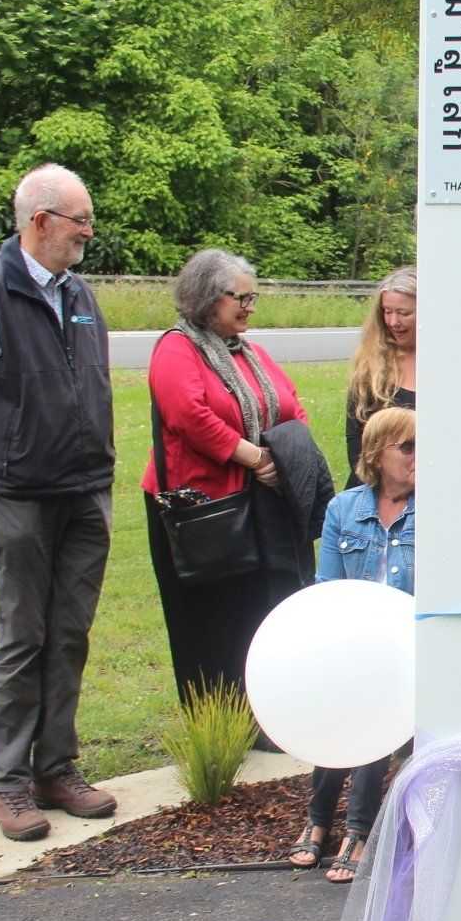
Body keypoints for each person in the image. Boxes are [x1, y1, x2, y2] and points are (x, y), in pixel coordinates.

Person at [0, 163, 119, 841]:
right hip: (20, 496)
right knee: (22, 639)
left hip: (84, 491)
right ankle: (8, 783)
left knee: (68, 635)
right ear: (40, 221)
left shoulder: (81, 294)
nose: (88, 232)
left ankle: (55, 768)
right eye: (79, 220)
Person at [143, 249, 328, 715]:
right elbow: (189, 415)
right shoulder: (177, 348)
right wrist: (255, 458)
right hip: (204, 508)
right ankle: (219, 723)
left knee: (260, 608)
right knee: (211, 615)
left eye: (254, 298)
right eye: (239, 298)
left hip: (260, 506)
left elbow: (292, 408)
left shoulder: (252, 352)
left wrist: (281, 458)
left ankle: (265, 713)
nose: (249, 307)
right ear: (207, 296)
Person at [298, 407, 418, 883]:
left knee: (377, 705)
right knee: (342, 702)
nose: (418, 458)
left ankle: (356, 828)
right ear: (376, 452)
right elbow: (328, 585)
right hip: (354, 640)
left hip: (407, 649)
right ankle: (318, 817)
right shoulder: (343, 510)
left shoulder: (434, 511)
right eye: (407, 448)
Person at [344, 267, 417, 486]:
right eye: (387, 311)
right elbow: (355, 437)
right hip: (376, 490)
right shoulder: (373, 364)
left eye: (404, 313)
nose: (394, 322)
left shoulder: (449, 366)